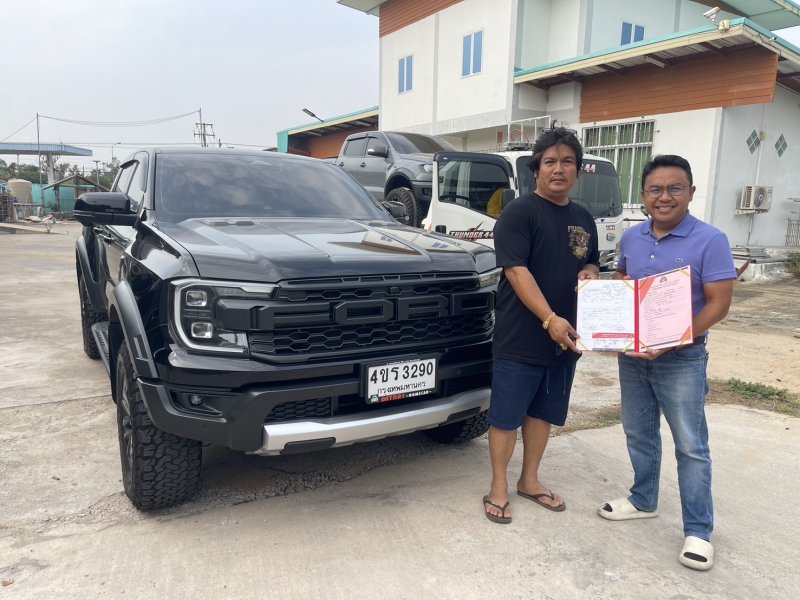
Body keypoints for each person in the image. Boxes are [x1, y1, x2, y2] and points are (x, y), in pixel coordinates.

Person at [597, 155, 736, 571]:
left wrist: (676, 339)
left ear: (691, 193)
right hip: (634, 356)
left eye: (675, 188)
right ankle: (643, 499)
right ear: (643, 196)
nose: (665, 197)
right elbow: (625, 281)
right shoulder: (634, 238)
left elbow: (719, 303)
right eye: (655, 189)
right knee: (638, 432)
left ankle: (698, 530)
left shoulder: (711, 240)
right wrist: (601, 292)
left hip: (683, 358)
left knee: (691, 445)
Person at [483, 127, 600, 524]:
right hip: (522, 337)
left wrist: (589, 272)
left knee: (543, 414)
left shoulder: (583, 217)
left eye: (567, 161)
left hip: (565, 340)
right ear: (537, 170)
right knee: (506, 416)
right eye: (550, 161)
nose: (559, 169)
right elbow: (516, 272)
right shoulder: (519, 212)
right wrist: (549, 318)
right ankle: (499, 484)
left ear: (578, 170)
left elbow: (592, 261)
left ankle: (529, 480)